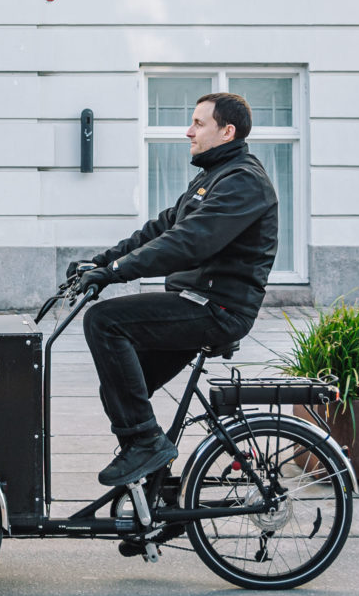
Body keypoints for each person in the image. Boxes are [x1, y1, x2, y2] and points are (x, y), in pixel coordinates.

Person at [71, 91, 279, 487]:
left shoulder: (244, 182)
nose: (189, 132)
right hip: (194, 301)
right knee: (119, 390)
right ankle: (154, 487)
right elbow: (162, 228)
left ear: (227, 131)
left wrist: (116, 272)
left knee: (103, 321)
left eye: (199, 124)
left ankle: (145, 443)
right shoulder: (212, 177)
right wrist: (100, 261)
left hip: (218, 308)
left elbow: (189, 241)